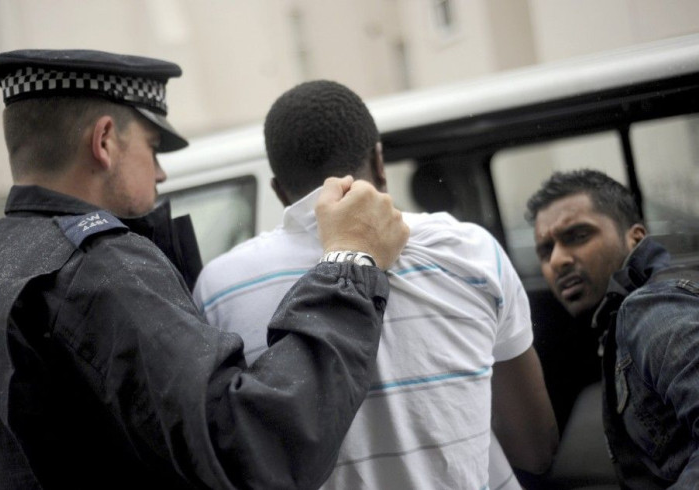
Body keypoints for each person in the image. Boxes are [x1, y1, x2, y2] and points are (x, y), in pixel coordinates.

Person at [0, 49, 409, 490]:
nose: (159, 173)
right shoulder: (98, 268)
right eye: (153, 148)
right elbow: (254, 446)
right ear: (104, 142)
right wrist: (352, 260)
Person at [193, 80, 558, 489]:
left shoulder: (219, 287)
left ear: (279, 190)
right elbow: (534, 447)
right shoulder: (471, 252)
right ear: (379, 160)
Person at [526, 169, 699, 488]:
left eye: (577, 236)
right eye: (545, 250)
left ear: (635, 237)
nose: (558, 260)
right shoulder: (620, 313)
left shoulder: (652, 310)